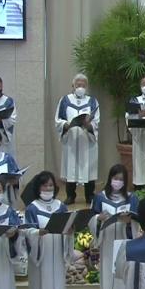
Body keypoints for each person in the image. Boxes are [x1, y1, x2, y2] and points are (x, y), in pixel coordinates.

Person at [88, 164, 140, 289]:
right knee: (109, 277)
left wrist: (129, 221)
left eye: (121, 179)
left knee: (123, 276)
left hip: (124, 243)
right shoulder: (100, 197)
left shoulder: (131, 198)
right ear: (110, 178)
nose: (118, 182)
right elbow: (91, 219)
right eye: (115, 178)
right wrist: (98, 219)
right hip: (108, 244)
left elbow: (137, 220)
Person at [23, 171, 72, 289]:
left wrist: (69, 231)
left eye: (51, 185)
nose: (48, 188)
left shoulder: (60, 206)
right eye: (44, 185)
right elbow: (27, 230)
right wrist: (37, 232)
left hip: (56, 252)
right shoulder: (32, 208)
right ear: (38, 187)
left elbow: (67, 224)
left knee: (56, 285)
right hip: (40, 254)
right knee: (38, 286)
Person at [55, 74, 100, 205]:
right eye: (78, 85)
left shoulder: (92, 101)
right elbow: (58, 119)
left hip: (87, 140)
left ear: (87, 86)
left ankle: (89, 195)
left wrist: (89, 125)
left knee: (89, 166)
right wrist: (66, 125)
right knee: (71, 166)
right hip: (71, 140)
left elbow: (96, 120)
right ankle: (70, 195)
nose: (80, 87)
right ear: (73, 86)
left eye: (83, 85)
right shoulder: (65, 100)